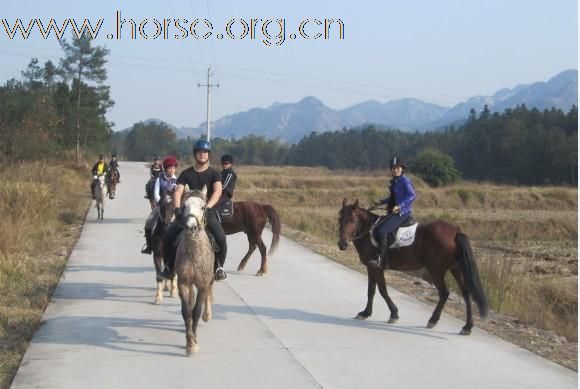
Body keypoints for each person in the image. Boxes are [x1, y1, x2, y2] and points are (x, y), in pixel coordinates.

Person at [158, 140, 228, 281]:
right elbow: (178, 192)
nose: (202, 154)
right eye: (199, 152)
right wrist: (177, 209)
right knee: (168, 237)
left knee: (221, 238)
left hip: (207, 213)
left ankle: (219, 268)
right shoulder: (185, 174)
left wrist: (208, 207)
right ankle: (169, 267)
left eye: (205, 152)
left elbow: (217, 191)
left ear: (208, 155)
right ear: (195, 154)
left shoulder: (214, 173)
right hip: (187, 213)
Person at [368, 156, 416, 269]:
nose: (395, 170)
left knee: (382, 231)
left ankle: (380, 259)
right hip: (395, 211)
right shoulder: (396, 181)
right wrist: (380, 202)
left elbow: (412, 195)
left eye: (397, 168)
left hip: (402, 213)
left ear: (402, 168)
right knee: (377, 227)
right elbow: (393, 198)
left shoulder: (405, 181)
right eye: (393, 168)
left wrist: (400, 206)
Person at [141, 156, 178, 255]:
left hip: (174, 206)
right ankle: (149, 246)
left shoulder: (177, 180)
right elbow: (156, 193)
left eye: (174, 168)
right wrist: (161, 202)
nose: (172, 170)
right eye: (170, 168)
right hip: (162, 205)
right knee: (149, 221)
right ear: (166, 169)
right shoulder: (159, 179)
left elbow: (179, 194)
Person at [217, 153, 237, 218]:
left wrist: (216, 190)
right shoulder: (222, 173)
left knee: (214, 203)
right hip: (220, 193)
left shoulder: (230, 173)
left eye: (226, 163)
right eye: (223, 163)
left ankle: (218, 218)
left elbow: (225, 185)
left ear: (230, 164)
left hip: (226, 194)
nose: (224, 165)